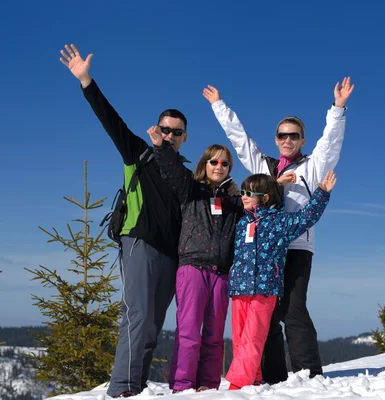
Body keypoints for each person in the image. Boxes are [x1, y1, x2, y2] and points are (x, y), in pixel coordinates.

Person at [202, 79, 354, 383]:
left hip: (296, 246)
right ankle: (272, 377)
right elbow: (240, 141)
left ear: (301, 139)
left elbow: (330, 142)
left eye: (294, 135)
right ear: (276, 139)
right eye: (283, 135)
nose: (288, 139)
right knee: (267, 316)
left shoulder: (313, 164)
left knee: (293, 309)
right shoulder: (265, 168)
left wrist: (337, 109)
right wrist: (220, 106)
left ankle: (309, 375)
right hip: (266, 251)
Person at [60, 44, 186, 398]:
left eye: (176, 132)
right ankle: (122, 391)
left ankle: (137, 386)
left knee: (153, 326)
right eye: (165, 128)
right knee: (138, 317)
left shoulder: (183, 173)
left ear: (184, 137)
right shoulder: (139, 153)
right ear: (157, 129)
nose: (170, 135)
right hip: (140, 243)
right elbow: (110, 119)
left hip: (171, 255)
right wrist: (86, 81)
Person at [147, 127, 244, 393]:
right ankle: (182, 387)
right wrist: (161, 147)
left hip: (221, 273)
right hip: (192, 268)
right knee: (189, 333)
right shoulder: (191, 189)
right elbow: (172, 171)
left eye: (225, 163)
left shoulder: (234, 201)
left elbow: (258, 203)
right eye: (214, 161)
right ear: (205, 164)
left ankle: (209, 387)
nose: (219, 166)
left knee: (213, 337)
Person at [226, 171, 337, 390]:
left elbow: (306, 217)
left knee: (253, 337)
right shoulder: (241, 223)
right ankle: (254, 378)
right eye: (243, 192)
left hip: (264, 290)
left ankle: (238, 384)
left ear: (265, 197)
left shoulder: (280, 222)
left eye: (250, 193)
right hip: (239, 288)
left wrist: (322, 193)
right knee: (239, 338)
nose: (244, 196)